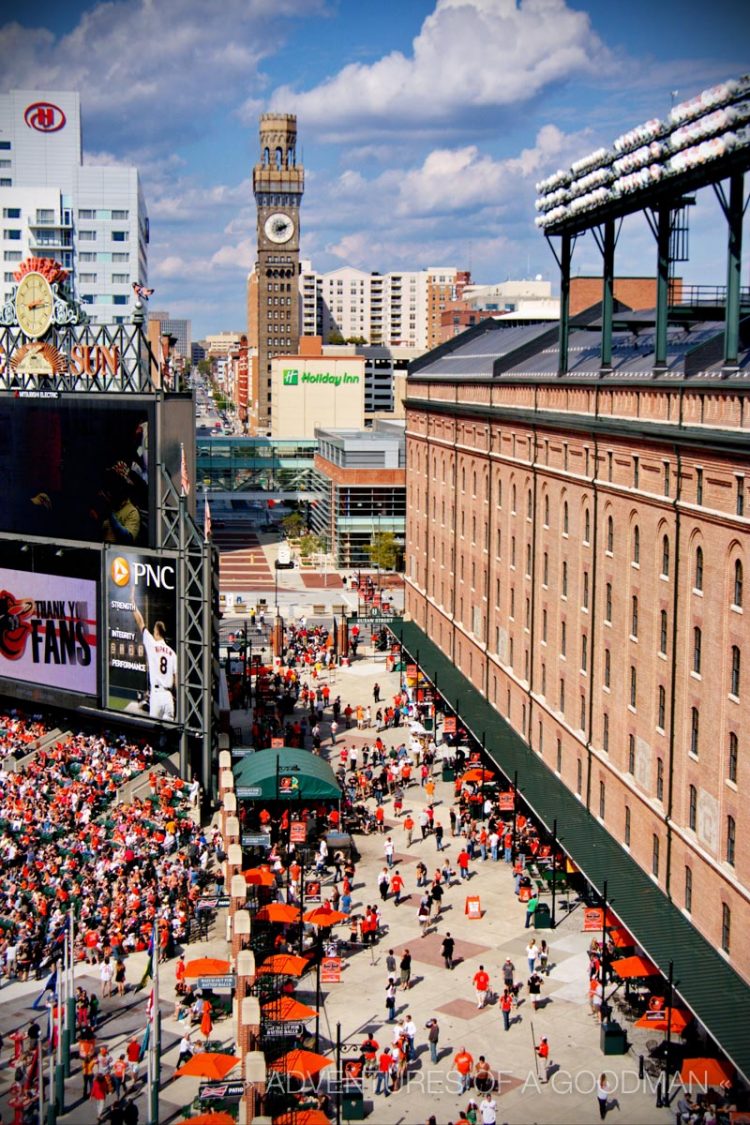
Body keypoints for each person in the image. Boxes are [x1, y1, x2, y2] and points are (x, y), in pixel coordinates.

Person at [131, 591, 177, 721]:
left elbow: (140, 622)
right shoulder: (173, 653)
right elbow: (177, 679)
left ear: (156, 632)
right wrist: (176, 698)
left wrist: (132, 603)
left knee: (154, 731)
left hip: (157, 695)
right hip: (169, 696)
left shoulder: (152, 644)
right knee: (169, 733)